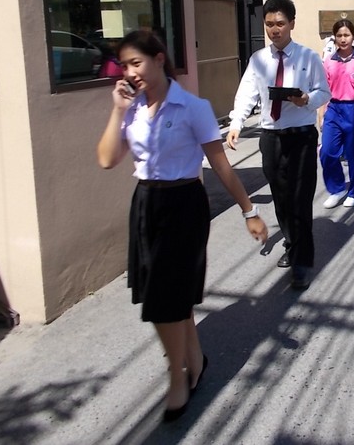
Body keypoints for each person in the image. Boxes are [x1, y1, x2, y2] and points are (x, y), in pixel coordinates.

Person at [96, 29, 269, 423]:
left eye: (136, 62)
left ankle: (177, 375)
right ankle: (195, 359)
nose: (130, 72)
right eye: (124, 65)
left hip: (184, 205)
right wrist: (118, 110)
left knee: (164, 300)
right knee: (169, 295)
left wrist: (249, 211)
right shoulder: (133, 109)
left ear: (159, 59)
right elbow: (107, 159)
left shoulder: (193, 107)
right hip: (146, 204)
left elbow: (221, 165)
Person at [226, 0, 330, 291]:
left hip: (301, 136)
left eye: (280, 23)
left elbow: (324, 92)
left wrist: (306, 99)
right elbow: (246, 93)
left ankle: (301, 263)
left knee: (300, 200)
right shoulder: (258, 60)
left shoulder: (309, 57)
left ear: (292, 24)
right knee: (281, 199)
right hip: (271, 137)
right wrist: (235, 124)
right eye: (269, 24)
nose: (275, 29)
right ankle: (291, 241)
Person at [321, 19, 354, 208]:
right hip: (333, 109)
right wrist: (321, 115)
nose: (343, 39)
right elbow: (324, 90)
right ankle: (336, 189)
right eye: (339, 35)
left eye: (346, 35)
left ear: (353, 37)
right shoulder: (329, 61)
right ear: (334, 38)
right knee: (327, 152)